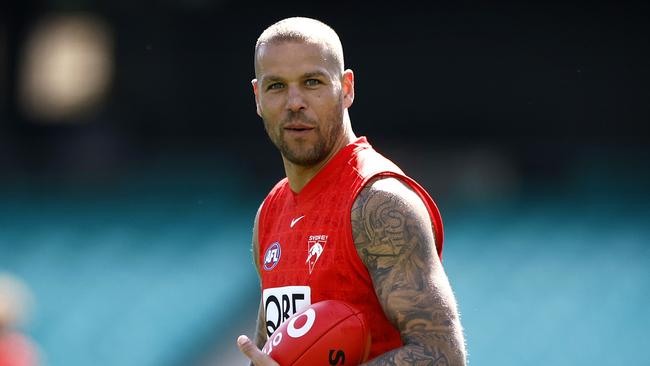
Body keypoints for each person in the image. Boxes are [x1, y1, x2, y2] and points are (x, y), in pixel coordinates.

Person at [236, 17, 466, 365]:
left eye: (312, 82)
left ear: (346, 88)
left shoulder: (380, 203)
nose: (294, 102)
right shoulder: (271, 212)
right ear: (257, 97)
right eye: (277, 86)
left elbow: (443, 357)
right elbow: (270, 354)